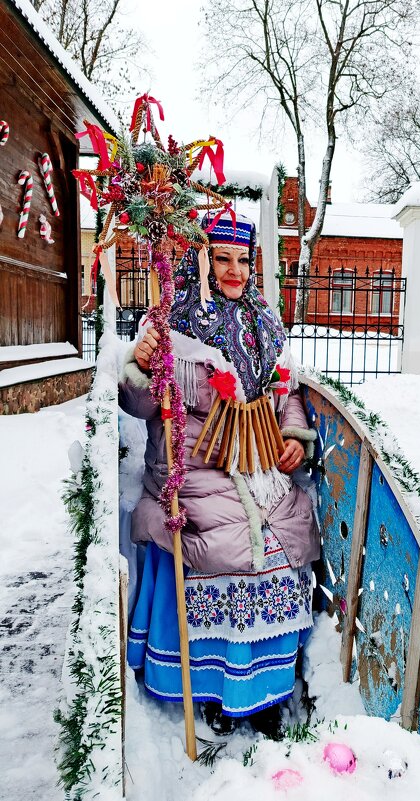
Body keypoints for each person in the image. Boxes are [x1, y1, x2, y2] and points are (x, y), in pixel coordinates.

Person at [120, 212, 319, 737]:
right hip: (194, 467)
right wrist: (141, 365)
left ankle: (267, 691)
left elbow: (287, 391)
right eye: (221, 259)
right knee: (226, 551)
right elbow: (140, 404)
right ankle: (214, 689)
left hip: (256, 463)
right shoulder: (169, 321)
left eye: (242, 260)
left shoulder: (263, 322)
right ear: (200, 259)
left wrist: (294, 436)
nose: (234, 271)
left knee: (283, 546)